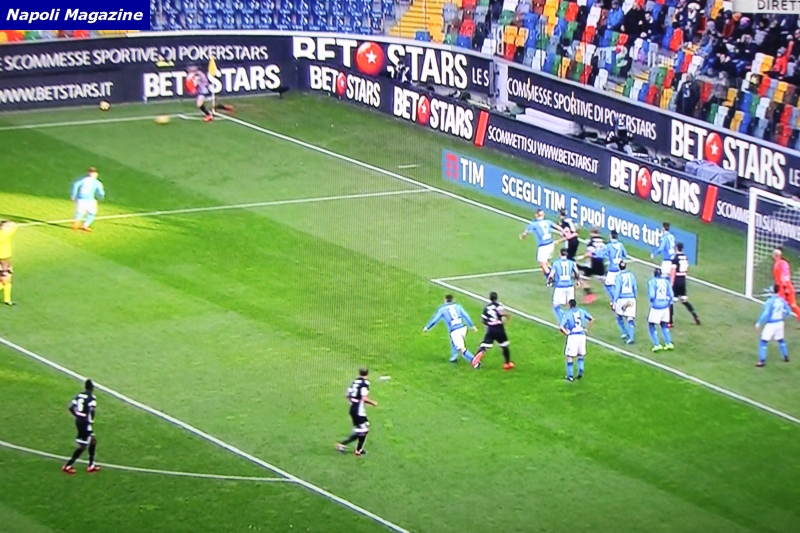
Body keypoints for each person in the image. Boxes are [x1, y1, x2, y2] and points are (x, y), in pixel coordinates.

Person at [423, 295, 481, 368]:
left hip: (455, 331)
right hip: (463, 328)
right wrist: (472, 326)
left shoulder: (442, 309)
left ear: (445, 300)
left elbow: (435, 319)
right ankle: (454, 357)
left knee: (462, 349)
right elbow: (466, 315)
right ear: (453, 300)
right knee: (453, 340)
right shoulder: (458, 306)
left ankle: (475, 361)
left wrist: (427, 327)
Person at [62, 379, 100, 474]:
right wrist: (91, 420)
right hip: (85, 422)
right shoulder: (92, 397)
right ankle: (68, 465)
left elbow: (71, 407)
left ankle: (91, 465)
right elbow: (92, 410)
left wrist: (77, 415)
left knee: (93, 441)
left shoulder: (80, 395)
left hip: (79, 420)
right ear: (92, 388)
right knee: (82, 446)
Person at [336, 368, 376, 456]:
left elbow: (347, 394)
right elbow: (364, 398)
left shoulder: (355, 382)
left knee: (365, 428)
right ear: (367, 374)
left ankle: (358, 449)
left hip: (354, 409)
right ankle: (342, 444)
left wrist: (352, 401)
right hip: (358, 411)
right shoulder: (365, 383)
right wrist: (372, 403)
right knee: (363, 431)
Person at [520, 210, 564, 283]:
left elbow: (526, 232)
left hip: (543, 246)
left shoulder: (534, 224)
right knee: (546, 262)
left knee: (542, 263)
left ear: (536, 215)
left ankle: (551, 279)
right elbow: (558, 227)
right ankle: (554, 273)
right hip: (550, 244)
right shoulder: (548, 222)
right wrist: (563, 232)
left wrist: (522, 236)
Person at [474, 292, 514, 370]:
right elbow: (501, 314)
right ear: (496, 298)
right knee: (504, 345)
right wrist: (506, 317)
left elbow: (483, 320)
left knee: (484, 345)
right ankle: (507, 363)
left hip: (491, 328)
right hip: (499, 328)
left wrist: (488, 324)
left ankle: (475, 362)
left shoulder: (486, 308)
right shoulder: (499, 306)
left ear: (490, 298)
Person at [755, 285, 791, 367]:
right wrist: (782, 316)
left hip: (771, 324)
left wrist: (759, 322)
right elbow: (788, 311)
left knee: (763, 341)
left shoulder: (770, 301)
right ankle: (786, 356)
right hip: (780, 322)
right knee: (781, 340)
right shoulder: (782, 300)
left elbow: (766, 313)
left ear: (772, 292)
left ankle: (762, 361)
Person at [559, 299, 593, 382]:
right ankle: (580, 369)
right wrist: (586, 329)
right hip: (582, 335)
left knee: (569, 356)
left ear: (569, 305)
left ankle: (570, 376)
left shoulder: (567, 314)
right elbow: (591, 319)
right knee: (580, 354)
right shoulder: (582, 311)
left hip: (573, 336)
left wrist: (566, 333)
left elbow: (561, 327)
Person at [670, 242, 700, 326]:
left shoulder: (675, 258)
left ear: (676, 248)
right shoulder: (685, 257)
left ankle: (670, 321)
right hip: (683, 280)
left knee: (671, 301)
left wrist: (671, 283)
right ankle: (695, 315)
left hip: (677, 280)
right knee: (684, 301)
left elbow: (673, 272)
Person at [548, 248, 581, 321]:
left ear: (560, 254)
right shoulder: (572, 263)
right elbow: (576, 272)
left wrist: (549, 282)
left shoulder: (556, 263)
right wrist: (577, 281)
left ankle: (562, 319)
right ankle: (573, 320)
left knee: (556, 304)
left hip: (560, 286)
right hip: (570, 286)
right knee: (571, 304)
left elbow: (551, 275)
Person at [647, 268, 675, 352]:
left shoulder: (652, 282)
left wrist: (652, 301)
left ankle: (657, 344)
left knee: (651, 325)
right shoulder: (666, 281)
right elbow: (671, 294)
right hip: (665, 306)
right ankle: (668, 343)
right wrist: (668, 302)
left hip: (656, 306)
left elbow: (652, 295)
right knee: (664, 324)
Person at [577, 227, 606, 304]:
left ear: (592, 233)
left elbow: (589, 253)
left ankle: (590, 295)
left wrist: (581, 257)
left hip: (593, 263)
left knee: (582, 279)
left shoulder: (591, 242)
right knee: (605, 281)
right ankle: (616, 294)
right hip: (601, 263)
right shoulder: (603, 241)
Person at [70, 167, 104, 232]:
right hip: (90, 200)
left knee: (80, 212)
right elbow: (101, 192)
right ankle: (85, 225)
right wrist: (101, 196)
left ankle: (76, 222)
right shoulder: (96, 182)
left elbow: (75, 185)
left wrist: (73, 195)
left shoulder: (83, 180)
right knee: (92, 213)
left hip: (80, 199)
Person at [612, 261, 637, 344]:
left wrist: (614, 301)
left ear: (618, 267)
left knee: (618, 316)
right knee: (630, 318)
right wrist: (634, 296)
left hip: (622, 299)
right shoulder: (631, 275)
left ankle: (624, 332)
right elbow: (635, 287)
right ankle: (631, 337)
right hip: (631, 298)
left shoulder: (618, 277)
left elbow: (617, 289)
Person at [772, 248, 800, 321]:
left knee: (790, 304)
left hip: (785, 288)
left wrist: (785, 287)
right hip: (783, 287)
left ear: (775, 255)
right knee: (790, 304)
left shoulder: (781, 263)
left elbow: (785, 275)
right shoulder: (780, 263)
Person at [601, 230, 627, 299]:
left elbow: (603, 254)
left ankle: (615, 299)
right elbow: (625, 254)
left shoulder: (609, 246)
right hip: (620, 269)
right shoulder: (621, 245)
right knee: (617, 285)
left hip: (612, 270)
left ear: (611, 236)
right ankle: (617, 298)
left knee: (608, 285)